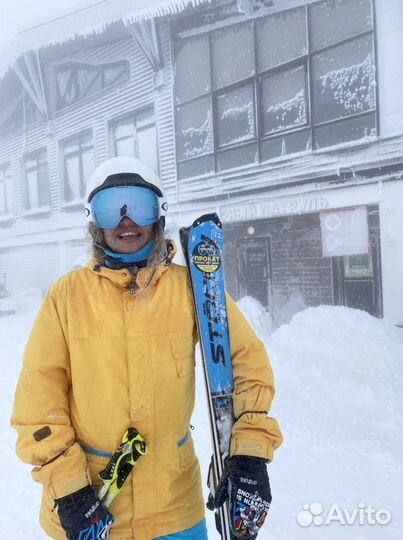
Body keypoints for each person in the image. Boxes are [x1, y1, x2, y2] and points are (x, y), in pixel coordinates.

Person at [11, 157, 283, 540]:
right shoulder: (66, 297)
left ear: (158, 216)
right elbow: (39, 402)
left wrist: (250, 450)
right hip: (91, 511)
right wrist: (69, 489)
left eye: (138, 206)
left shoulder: (191, 288)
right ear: (94, 222)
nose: (126, 221)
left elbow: (246, 363)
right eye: (111, 209)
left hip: (176, 512)